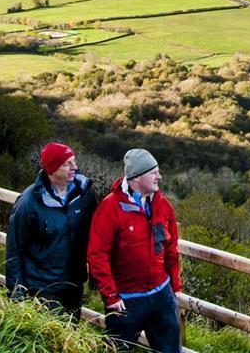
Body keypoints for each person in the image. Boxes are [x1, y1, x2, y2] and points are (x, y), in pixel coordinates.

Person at [86, 148, 182, 352]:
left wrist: (174, 286)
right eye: (153, 172)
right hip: (126, 298)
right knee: (117, 349)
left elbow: (171, 249)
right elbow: (97, 255)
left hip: (161, 293)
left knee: (170, 349)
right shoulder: (110, 208)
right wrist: (111, 296)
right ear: (137, 177)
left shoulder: (163, 206)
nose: (160, 177)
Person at [5, 142, 100, 319]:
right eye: (67, 164)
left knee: (70, 338)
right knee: (50, 341)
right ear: (52, 169)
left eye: (74, 161)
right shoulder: (29, 203)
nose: (75, 167)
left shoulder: (84, 195)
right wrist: (16, 295)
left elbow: (95, 234)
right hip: (42, 288)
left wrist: (96, 273)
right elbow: (14, 251)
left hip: (73, 285)